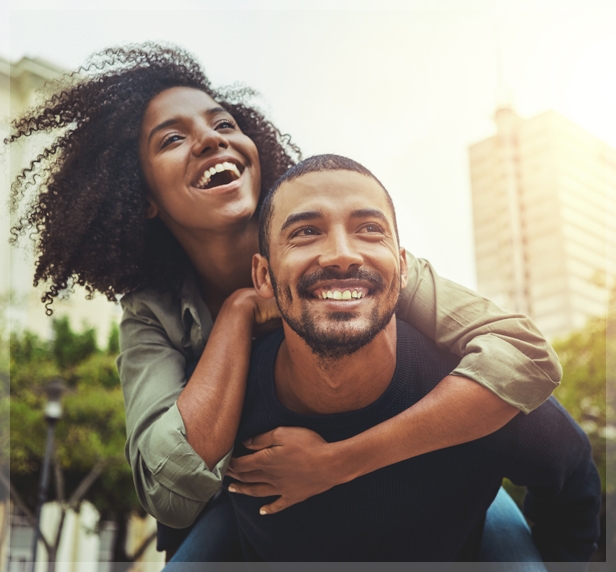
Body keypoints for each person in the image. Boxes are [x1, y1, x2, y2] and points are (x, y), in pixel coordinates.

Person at [6, 43, 561, 559]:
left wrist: (338, 463)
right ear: (143, 198)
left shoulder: (349, 257)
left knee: (511, 542)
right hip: (254, 507)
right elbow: (168, 488)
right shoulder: (151, 313)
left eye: (224, 123)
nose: (210, 139)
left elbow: (523, 357)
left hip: (419, 478)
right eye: (172, 139)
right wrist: (239, 313)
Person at [224, 154, 601, 563]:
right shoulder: (231, 395)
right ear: (263, 276)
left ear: (403, 269)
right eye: (306, 231)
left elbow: (573, 473)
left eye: (369, 229)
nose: (341, 254)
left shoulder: (482, 392)